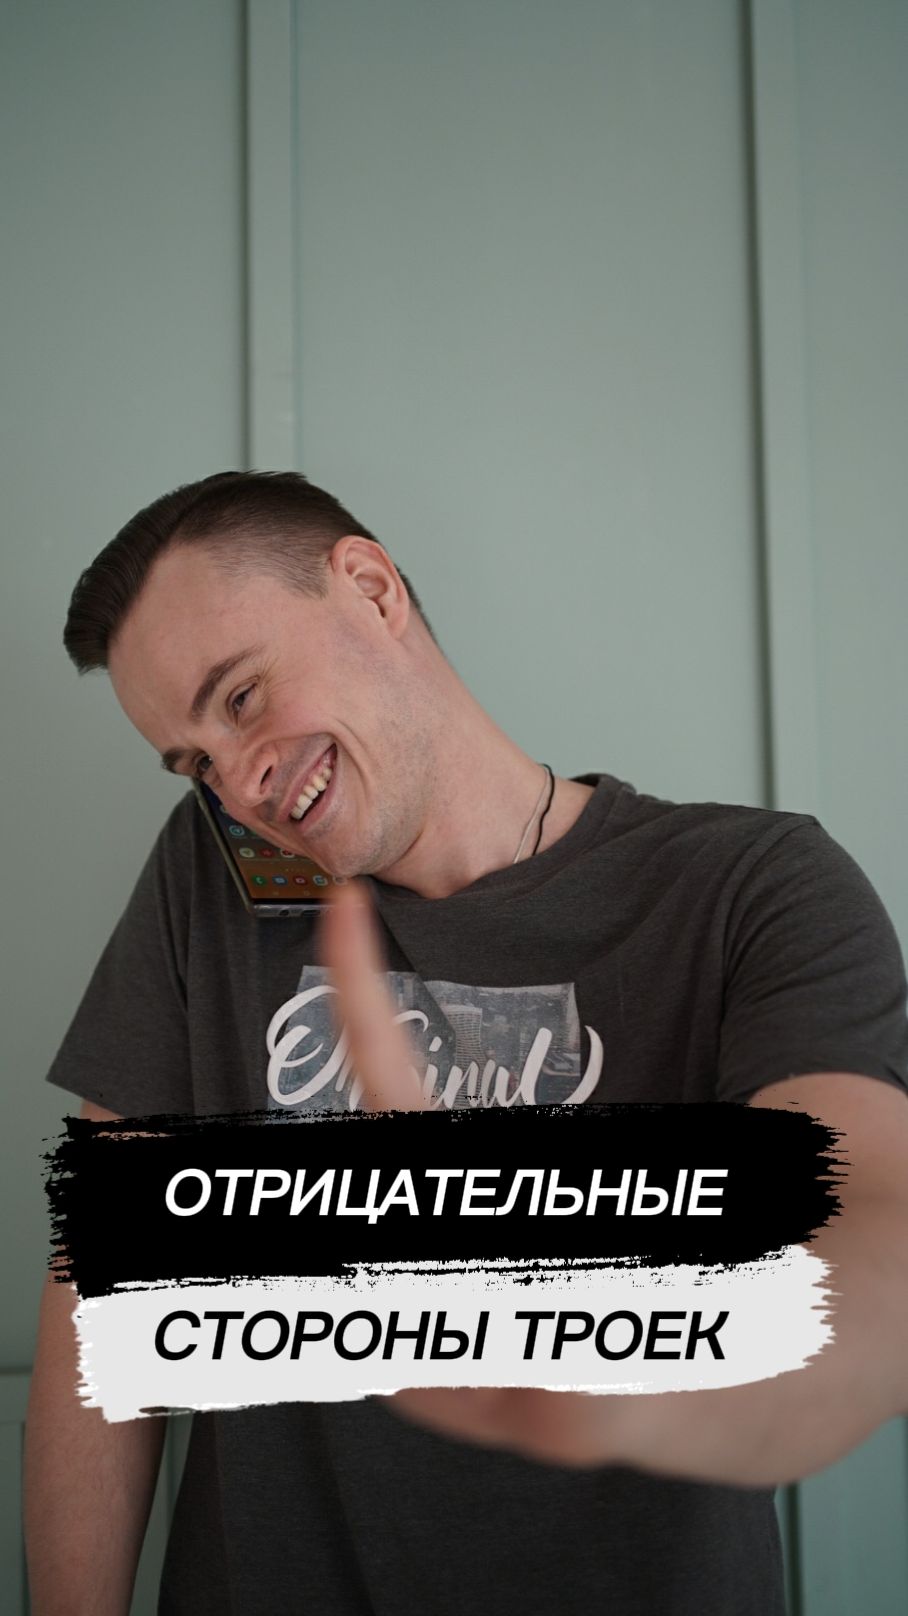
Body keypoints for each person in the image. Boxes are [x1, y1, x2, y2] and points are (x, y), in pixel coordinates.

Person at [25, 470, 908, 1615]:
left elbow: (869, 1223)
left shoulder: (748, 886)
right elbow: (102, 1295)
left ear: (370, 587)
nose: (238, 784)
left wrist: (659, 1367)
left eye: (240, 697)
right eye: (193, 761)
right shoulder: (214, 877)